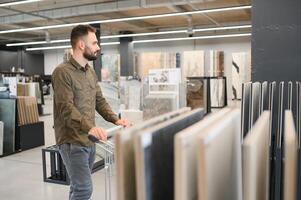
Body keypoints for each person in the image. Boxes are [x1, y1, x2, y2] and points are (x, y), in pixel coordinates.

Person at [52, 24, 130, 200]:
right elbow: (66, 108)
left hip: (89, 140)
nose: (98, 47)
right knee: (84, 189)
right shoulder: (62, 72)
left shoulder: (90, 72)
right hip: (72, 141)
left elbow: (99, 101)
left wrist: (115, 120)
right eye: (94, 43)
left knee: (77, 186)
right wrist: (90, 128)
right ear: (81, 45)